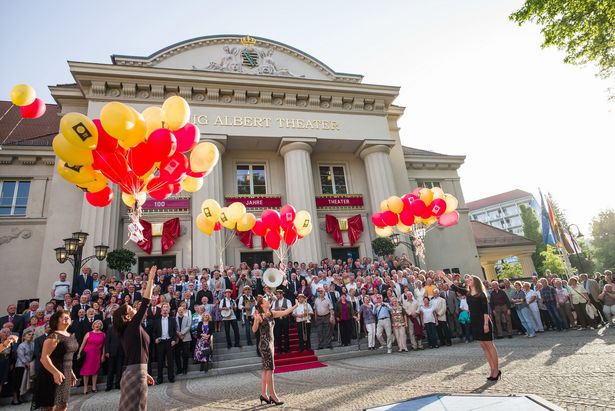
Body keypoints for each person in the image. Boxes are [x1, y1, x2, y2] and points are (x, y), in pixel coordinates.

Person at [439, 272, 500, 381]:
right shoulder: (467, 293)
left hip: (484, 321)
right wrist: (444, 277)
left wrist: (486, 324)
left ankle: (496, 370)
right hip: (475, 322)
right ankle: (492, 369)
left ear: (475, 282)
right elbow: (454, 287)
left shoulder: (482, 294)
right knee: (484, 347)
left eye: (470, 279)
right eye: (468, 279)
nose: (468, 280)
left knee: (490, 345)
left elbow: (485, 311)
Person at [113, 265, 157, 411]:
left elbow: (135, 353)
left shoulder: (129, 329)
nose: (133, 308)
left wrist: (145, 372)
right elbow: (145, 302)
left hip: (135, 372)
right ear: (127, 316)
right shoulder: (131, 327)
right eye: (131, 308)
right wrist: (151, 279)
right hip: (135, 375)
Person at [252, 295, 297, 405]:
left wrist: (295, 305)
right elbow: (254, 330)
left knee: (265, 370)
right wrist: (256, 320)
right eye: (266, 301)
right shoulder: (260, 315)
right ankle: (273, 396)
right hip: (265, 344)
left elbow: (285, 312)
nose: (268, 301)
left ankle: (264, 394)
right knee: (270, 370)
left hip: (270, 344)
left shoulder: (272, 313)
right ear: (262, 305)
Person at [31, 310, 78, 411]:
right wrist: (55, 372)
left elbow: (67, 356)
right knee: (50, 406)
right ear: (56, 321)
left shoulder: (70, 335)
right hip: (51, 374)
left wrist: (71, 372)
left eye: (68, 317)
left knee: (63, 405)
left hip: (65, 372)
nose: (66, 318)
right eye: (63, 317)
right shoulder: (54, 336)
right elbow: (44, 358)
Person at [77, 319, 105, 394]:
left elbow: (104, 346)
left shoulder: (103, 334)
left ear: (101, 326)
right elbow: (83, 344)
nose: (97, 325)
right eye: (96, 323)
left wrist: (103, 355)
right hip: (87, 353)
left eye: (99, 324)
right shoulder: (88, 333)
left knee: (95, 371)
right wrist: (79, 353)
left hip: (97, 354)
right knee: (86, 371)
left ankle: (94, 386)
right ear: (93, 325)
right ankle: (85, 388)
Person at [153, 303, 177, 384]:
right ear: (161, 312)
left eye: (166, 310)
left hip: (169, 342)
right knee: (160, 361)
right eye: (163, 310)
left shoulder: (172, 320)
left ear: (169, 311)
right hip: (160, 342)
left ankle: (171, 377)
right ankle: (160, 379)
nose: (165, 311)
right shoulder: (156, 321)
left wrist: (174, 340)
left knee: (170, 361)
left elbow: (174, 331)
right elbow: (154, 332)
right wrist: (155, 338)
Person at [104, 306, 123, 391]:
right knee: (110, 369)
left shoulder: (122, 325)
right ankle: (109, 385)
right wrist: (107, 351)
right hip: (111, 351)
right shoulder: (110, 327)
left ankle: (118, 384)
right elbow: (107, 340)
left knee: (119, 368)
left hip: (121, 351)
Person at [12, 329, 34, 405]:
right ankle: (15, 399)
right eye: (29, 335)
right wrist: (26, 363)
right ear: (24, 336)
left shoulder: (33, 344)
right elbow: (20, 356)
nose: (31, 336)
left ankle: (21, 397)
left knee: (23, 382)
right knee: (18, 382)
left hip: (29, 365)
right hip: (20, 366)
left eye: (32, 335)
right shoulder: (21, 345)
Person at [272, 289, 291, 353]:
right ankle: (279, 349)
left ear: (281, 294)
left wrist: (283, 309)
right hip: (277, 320)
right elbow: (272, 310)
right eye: (276, 294)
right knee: (278, 334)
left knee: (286, 334)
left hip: (285, 319)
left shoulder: (287, 301)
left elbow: (290, 309)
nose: (276, 295)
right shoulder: (275, 302)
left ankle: (287, 349)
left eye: (278, 294)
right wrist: (276, 309)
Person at [174, 305, 191, 375]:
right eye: (179, 310)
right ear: (177, 311)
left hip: (186, 337)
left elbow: (189, 326)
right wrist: (179, 334)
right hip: (177, 338)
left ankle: (185, 369)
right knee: (177, 355)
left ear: (184, 311)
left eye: (182, 310)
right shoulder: (174, 319)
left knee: (185, 354)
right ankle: (179, 369)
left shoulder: (187, 318)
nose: (181, 311)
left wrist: (182, 333)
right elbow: (174, 328)